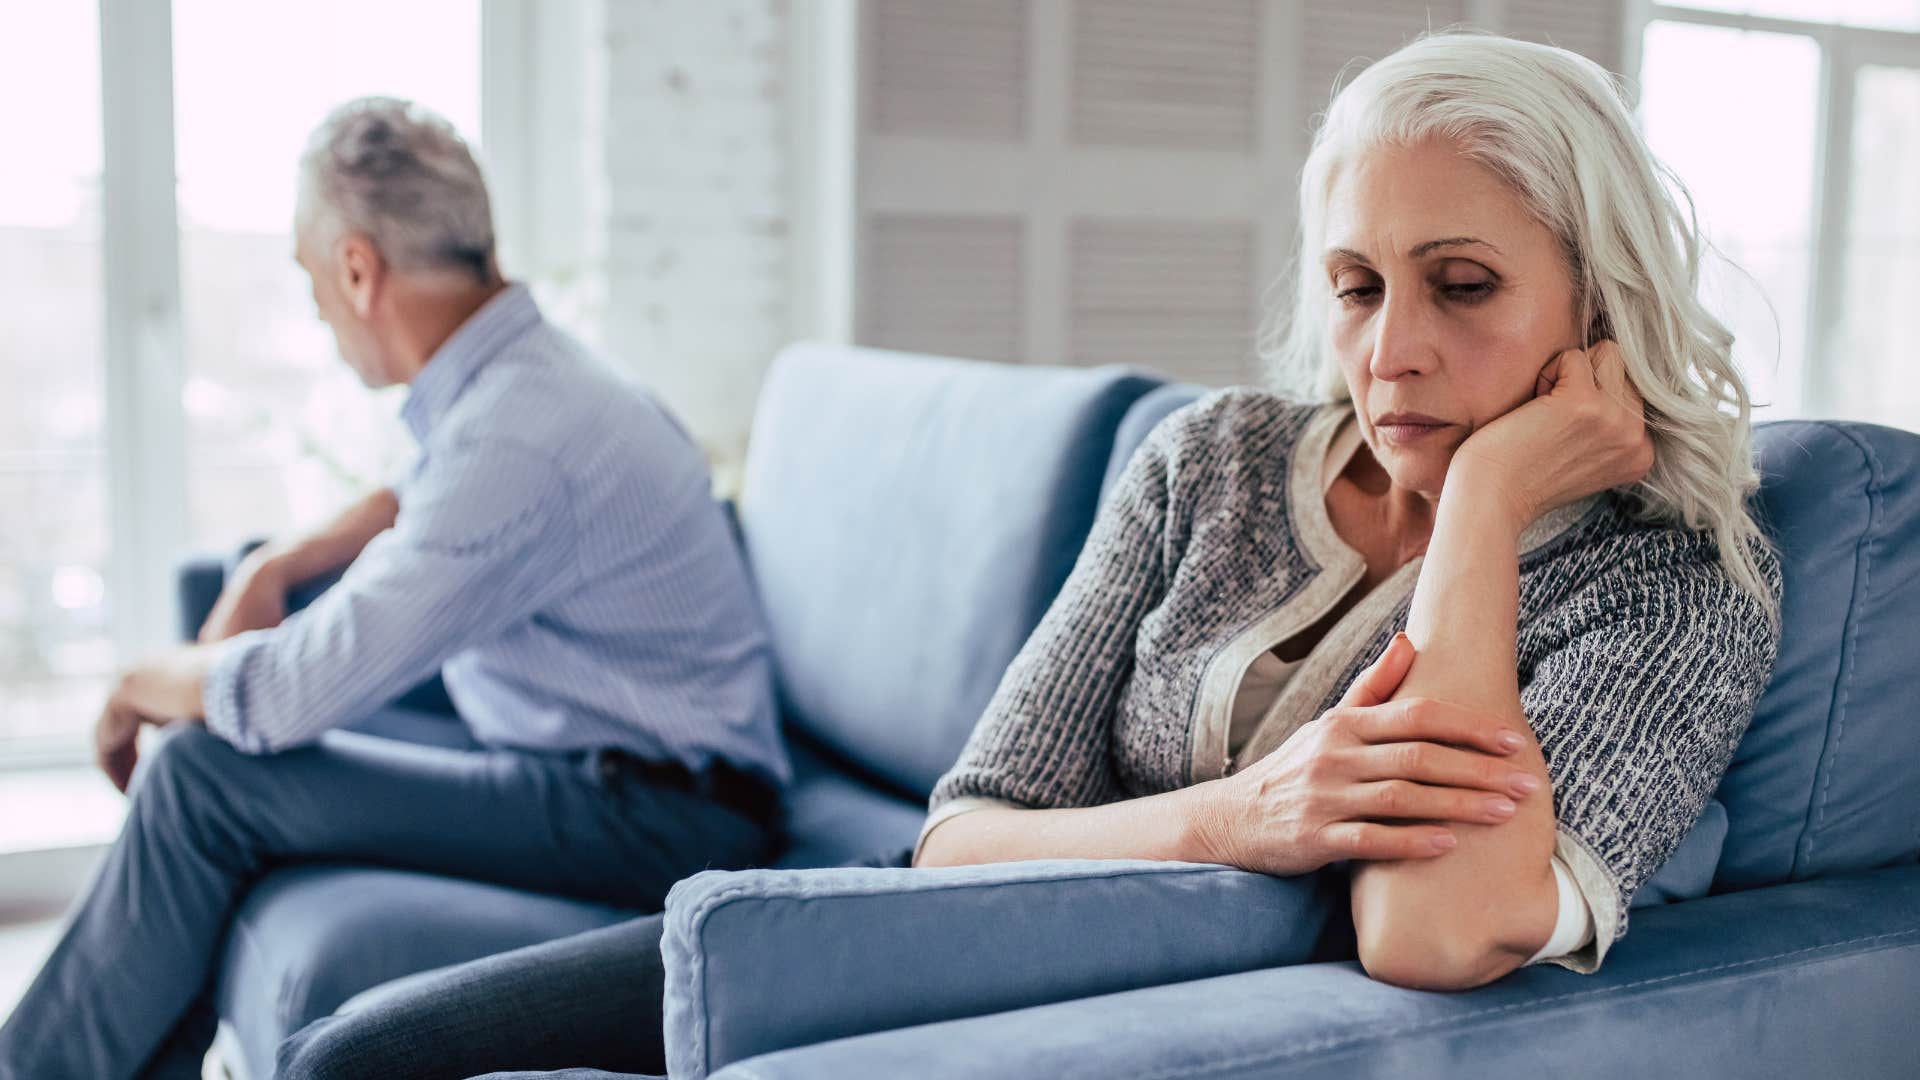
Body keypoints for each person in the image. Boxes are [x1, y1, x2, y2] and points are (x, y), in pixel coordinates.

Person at [278, 30, 1783, 1079]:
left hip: (1089, 1028)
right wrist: (1239, 816)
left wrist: (1488, 512)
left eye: (1462, 287)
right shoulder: (1216, 459)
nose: (1392, 352)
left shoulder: (1671, 591)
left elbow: (1435, 927)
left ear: (1603, 305)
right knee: (361, 1056)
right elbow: (959, 833)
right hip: (909, 944)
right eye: (1356, 286)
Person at [0, 98, 788, 1080]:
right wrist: (274, 564)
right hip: (596, 763)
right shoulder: (525, 383)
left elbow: (286, 693)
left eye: (309, 280)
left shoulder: (519, 434)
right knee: (210, 763)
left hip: (659, 817)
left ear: (359, 270)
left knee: (206, 778)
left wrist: (134, 682)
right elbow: (420, 491)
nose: (318, 312)